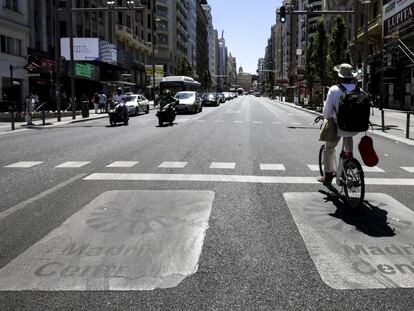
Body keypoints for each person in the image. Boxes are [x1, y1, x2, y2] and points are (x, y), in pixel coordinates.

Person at [318, 63, 359, 186]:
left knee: (329, 148)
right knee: (348, 145)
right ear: (352, 76)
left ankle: (328, 176)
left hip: (337, 126)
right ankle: (349, 166)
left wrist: (325, 118)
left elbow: (327, 113)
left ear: (339, 76)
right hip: (354, 127)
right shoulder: (359, 89)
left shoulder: (334, 90)